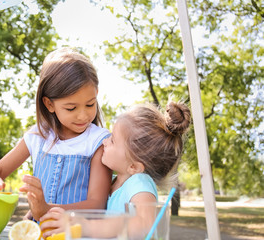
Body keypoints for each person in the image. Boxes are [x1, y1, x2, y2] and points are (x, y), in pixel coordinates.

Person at [0, 47, 112, 220]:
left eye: (90, 104)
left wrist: (47, 210)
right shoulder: (38, 136)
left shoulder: (98, 141)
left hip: (76, 233)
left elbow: (97, 204)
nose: (83, 115)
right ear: (49, 104)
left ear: (96, 95)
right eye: (71, 108)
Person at [38, 100, 191, 239]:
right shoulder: (111, 183)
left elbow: (145, 224)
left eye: (112, 140)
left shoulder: (139, 183)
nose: (104, 141)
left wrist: (87, 226)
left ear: (134, 167)